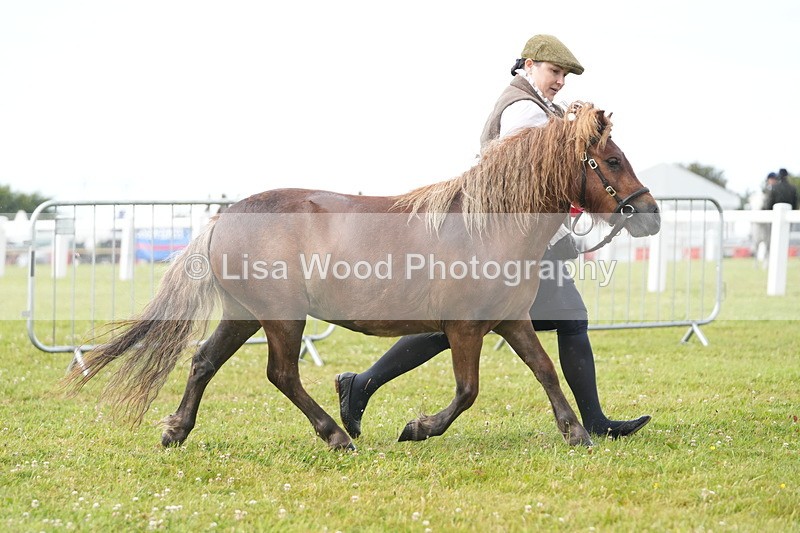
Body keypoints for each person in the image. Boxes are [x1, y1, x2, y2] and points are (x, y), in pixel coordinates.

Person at [335, 34, 651, 440]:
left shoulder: (540, 108)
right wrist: (556, 241)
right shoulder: (524, 110)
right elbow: (530, 182)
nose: (560, 81)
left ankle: (362, 384)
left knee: (459, 323)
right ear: (530, 64)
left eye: (565, 75)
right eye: (555, 72)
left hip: (514, 243)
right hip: (508, 244)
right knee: (548, 321)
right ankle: (590, 421)